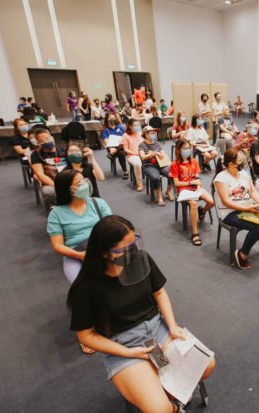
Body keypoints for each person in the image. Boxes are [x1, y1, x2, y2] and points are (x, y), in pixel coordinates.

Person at [66, 215, 215, 411]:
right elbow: (86, 336)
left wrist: (172, 327)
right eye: (124, 249)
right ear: (104, 253)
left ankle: (169, 395)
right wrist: (127, 352)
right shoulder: (87, 287)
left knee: (207, 364)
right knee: (159, 409)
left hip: (157, 331)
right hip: (123, 344)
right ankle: (171, 404)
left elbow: (159, 292)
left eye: (133, 243)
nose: (132, 251)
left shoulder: (139, 259)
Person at [213, 149, 259, 269]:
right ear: (231, 164)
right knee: (256, 227)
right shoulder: (221, 178)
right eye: (240, 160)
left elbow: (252, 191)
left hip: (248, 206)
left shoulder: (243, 173)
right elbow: (226, 201)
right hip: (229, 212)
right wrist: (247, 208)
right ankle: (242, 254)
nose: (243, 162)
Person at [48, 169, 112, 287]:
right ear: (68, 189)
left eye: (83, 180)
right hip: (75, 255)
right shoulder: (56, 214)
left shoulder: (98, 203)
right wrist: (81, 255)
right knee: (83, 287)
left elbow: (111, 228)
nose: (84, 185)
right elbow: (58, 245)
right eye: (79, 183)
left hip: (101, 248)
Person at [169, 139, 215, 246]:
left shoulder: (194, 161)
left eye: (188, 148)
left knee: (212, 202)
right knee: (194, 203)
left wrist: (198, 185)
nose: (187, 150)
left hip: (195, 187)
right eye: (184, 148)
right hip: (184, 189)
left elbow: (197, 176)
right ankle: (195, 233)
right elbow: (176, 183)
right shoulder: (175, 164)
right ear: (179, 150)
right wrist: (191, 182)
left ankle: (202, 212)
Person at [30, 128, 67, 212]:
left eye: (47, 138)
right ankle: (52, 212)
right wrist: (56, 186)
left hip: (65, 178)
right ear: (38, 143)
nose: (46, 141)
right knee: (49, 192)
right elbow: (40, 174)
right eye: (42, 140)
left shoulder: (63, 151)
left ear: (52, 138)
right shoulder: (36, 155)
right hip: (50, 181)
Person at [138, 126, 174, 206]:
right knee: (155, 177)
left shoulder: (157, 143)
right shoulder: (142, 145)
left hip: (161, 164)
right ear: (146, 135)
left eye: (154, 133)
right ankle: (159, 197)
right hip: (148, 166)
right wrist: (152, 154)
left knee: (172, 173)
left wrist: (160, 155)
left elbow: (163, 153)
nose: (154, 134)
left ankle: (168, 192)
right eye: (152, 133)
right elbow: (143, 157)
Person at [101, 113, 128, 179]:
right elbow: (106, 141)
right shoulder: (105, 130)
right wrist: (111, 149)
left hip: (122, 146)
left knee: (122, 147)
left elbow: (127, 137)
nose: (112, 120)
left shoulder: (120, 127)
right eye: (111, 118)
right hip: (112, 148)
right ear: (107, 120)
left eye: (114, 118)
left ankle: (125, 171)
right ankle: (125, 171)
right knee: (120, 153)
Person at [121, 118, 145, 191]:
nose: (138, 126)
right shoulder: (125, 135)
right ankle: (139, 183)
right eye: (135, 125)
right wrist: (136, 153)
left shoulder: (141, 133)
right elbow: (126, 149)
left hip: (142, 153)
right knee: (137, 164)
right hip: (132, 155)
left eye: (138, 125)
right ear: (130, 126)